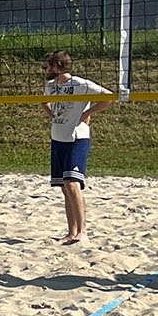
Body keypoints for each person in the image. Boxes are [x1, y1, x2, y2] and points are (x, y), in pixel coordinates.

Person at [40, 50, 115, 244]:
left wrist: (87, 112)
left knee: (73, 184)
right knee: (65, 187)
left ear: (56, 66)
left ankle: (83, 231)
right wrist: (52, 116)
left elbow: (109, 97)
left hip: (76, 138)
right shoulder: (50, 86)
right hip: (58, 138)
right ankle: (71, 232)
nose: (45, 69)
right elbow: (43, 101)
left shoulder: (80, 84)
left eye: (47, 65)